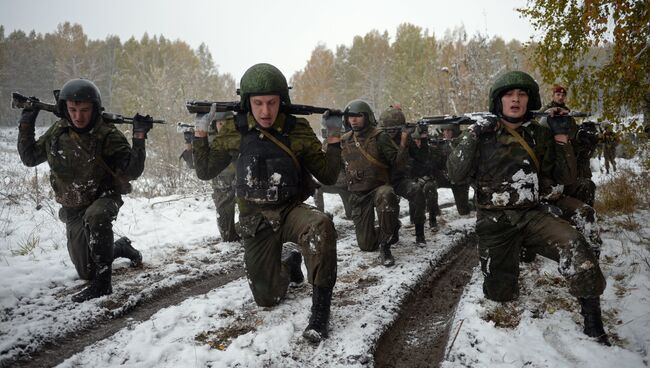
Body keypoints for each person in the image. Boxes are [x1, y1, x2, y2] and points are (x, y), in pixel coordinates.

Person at [448, 71, 610, 345]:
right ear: (498, 101)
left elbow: (565, 178)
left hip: (532, 215)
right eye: (509, 95)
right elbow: (455, 173)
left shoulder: (539, 134)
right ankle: (514, 255)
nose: (515, 99)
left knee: (574, 244)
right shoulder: (483, 134)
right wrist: (473, 133)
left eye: (521, 94)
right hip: (495, 222)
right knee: (500, 294)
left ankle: (593, 318)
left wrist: (561, 141)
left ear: (529, 100)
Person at [192, 63, 341, 343]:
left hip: (290, 211)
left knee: (320, 225)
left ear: (282, 101)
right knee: (267, 299)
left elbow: (328, 175)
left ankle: (320, 312)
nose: (265, 111)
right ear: (246, 102)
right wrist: (200, 133)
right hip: (255, 219)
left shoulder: (297, 130)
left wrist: (332, 138)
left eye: (272, 103)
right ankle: (289, 262)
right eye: (257, 103)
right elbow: (205, 171)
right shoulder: (235, 131)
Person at [17, 78, 149, 302]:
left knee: (95, 215)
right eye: (73, 109)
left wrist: (139, 136)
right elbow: (29, 158)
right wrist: (27, 121)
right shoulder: (58, 132)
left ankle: (103, 283)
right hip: (73, 207)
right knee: (86, 271)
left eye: (85, 110)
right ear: (64, 109)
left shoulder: (107, 134)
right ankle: (121, 247)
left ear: (95, 108)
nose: (78, 116)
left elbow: (133, 171)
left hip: (104, 198)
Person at [340, 100, 404, 266]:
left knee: (386, 194)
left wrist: (404, 144)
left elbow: (397, 163)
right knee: (366, 245)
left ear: (367, 117)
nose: (353, 120)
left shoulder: (379, 136)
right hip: (359, 194)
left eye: (358, 116)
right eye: (350, 117)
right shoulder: (345, 140)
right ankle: (391, 227)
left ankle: (385, 245)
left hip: (379, 188)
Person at [180, 112, 240, 242]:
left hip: (241, 182)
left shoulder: (238, 136)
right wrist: (189, 142)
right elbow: (194, 165)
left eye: (226, 123)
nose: (223, 126)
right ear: (215, 124)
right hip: (221, 185)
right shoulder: (209, 139)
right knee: (226, 229)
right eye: (220, 123)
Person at [377, 106, 428, 243]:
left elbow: (421, 158)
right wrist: (403, 142)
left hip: (398, 180)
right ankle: (391, 230)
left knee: (417, 191)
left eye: (395, 129)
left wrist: (423, 138)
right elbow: (394, 162)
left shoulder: (404, 137)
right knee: (387, 204)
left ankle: (419, 232)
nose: (391, 133)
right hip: (380, 181)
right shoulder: (378, 139)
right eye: (388, 130)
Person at [313, 111, 353, 219]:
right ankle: (320, 214)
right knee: (317, 188)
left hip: (343, 183)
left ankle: (320, 214)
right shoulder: (329, 142)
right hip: (340, 182)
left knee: (351, 214)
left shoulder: (342, 142)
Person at [430, 122, 472, 217]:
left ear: (455, 131)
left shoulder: (463, 142)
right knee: (428, 186)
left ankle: (472, 205)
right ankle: (434, 212)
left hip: (460, 180)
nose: (446, 133)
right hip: (444, 177)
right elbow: (436, 163)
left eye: (449, 130)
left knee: (463, 210)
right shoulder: (439, 142)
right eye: (444, 130)